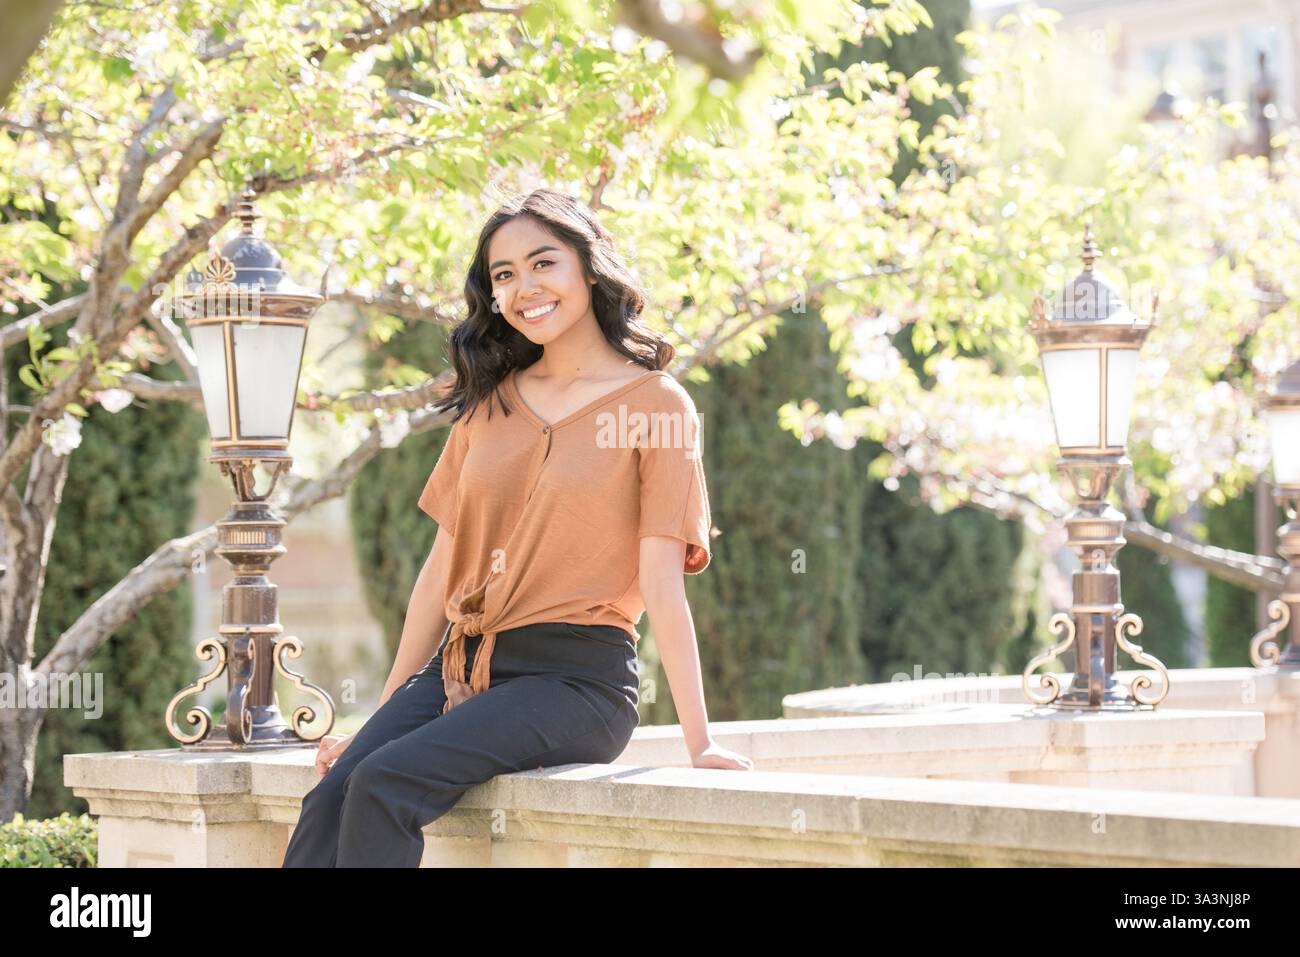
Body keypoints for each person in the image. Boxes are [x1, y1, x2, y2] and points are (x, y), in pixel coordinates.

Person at [282, 187, 752, 868]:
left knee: (384, 785)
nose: (523, 287)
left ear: (589, 268)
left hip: (576, 685)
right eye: (503, 276)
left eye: (543, 263)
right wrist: (378, 718)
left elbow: (661, 582)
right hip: (461, 665)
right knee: (335, 790)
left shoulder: (658, 404)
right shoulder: (489, 404)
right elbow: (441, 570)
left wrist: (698, 740)